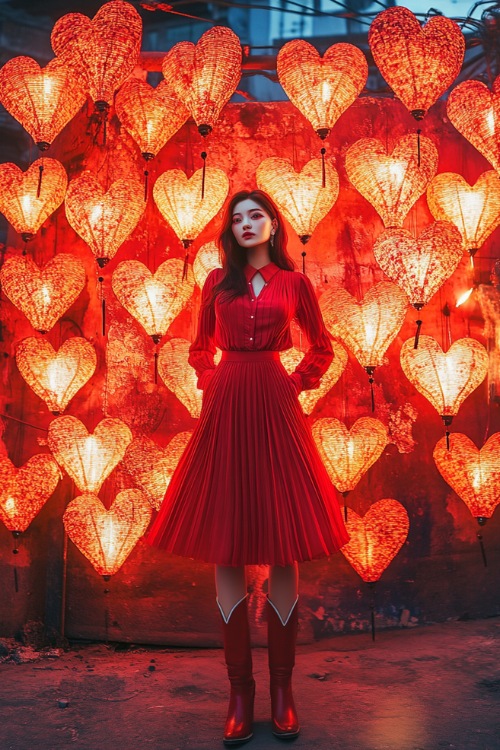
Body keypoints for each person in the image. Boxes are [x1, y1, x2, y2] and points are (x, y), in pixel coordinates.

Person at [146, 189, 349, 745]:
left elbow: (323, 349)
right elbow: (196, 349)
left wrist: (296, 382)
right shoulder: (215, 284)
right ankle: (241, 692)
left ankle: (283, 690)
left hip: (277, 404)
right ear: (229, 232)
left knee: (283, 540)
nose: (246, 224)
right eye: (236, 218)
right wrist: (211, 381)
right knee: (227, 538)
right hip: (227, 403)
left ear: (274, 224)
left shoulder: (296, 284)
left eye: (255, 214)